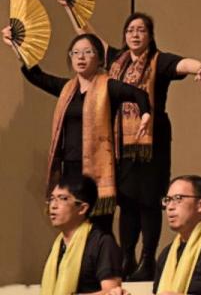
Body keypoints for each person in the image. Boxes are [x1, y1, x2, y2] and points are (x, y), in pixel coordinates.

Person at [58, 0, 201, 281]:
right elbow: (88, 35)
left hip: (151, 141)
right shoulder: (117, 60)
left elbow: (183, 64)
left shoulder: (159, 61)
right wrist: (68, 7)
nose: (135, 35)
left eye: (141, 30)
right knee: (126, 201)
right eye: (130, 30)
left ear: (150, 35)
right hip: (121, 144)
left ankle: (147, 259)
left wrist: (198, 68)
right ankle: (127, 257)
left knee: (149, 200)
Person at [2, 29, 152, 226]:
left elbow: (138, 95)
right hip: (70, 166)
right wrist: (17, 46)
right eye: (75, 53)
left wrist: (145, 115)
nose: (81, 57)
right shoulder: (67, 89)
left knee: (98, 225)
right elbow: (36, 75)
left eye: (88, 52)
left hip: (98, 167)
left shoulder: (108, 86)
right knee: (73, 224)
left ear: (99, 59)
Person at [41, 175, 125, 295]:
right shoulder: (58, 246)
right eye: (52, 199)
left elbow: (112, 292)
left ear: (82, 208)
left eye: (62, 199)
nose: (53, 206)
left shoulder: (102, 242)